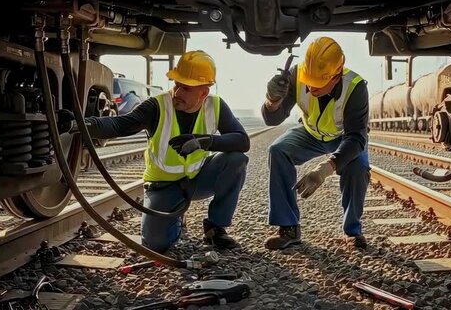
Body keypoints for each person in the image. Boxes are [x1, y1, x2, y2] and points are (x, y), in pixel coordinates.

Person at [58, 50, 250, 253]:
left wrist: (204, 141)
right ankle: (173, 216)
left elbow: (242, 141)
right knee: (156, 244)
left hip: (196, 179)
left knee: (236, 160)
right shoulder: (157, 106)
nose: (177, 92)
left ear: (203, 93)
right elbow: (119, 125)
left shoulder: (216, 106)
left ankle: (215, 227)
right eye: (176, 85)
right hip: (163, 187)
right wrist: (78, 123)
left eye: (185, 88)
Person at [261, 36, 370, 250]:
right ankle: (288, 228)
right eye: (308, 81)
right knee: (278, 151)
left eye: (318, 84)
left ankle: (352, 232)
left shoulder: (355, 87)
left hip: (344, 137)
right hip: (310, 133)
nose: (310, 88)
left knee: (357, 167)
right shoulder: (297, 75)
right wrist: (272, 100)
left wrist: (324, 170)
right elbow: (273, 119)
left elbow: (357, 138)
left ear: (336, 76)